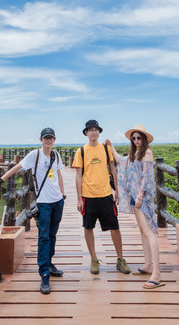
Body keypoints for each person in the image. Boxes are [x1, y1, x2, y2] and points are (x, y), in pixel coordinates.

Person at [0, 127, 66, 295]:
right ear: (40, 139)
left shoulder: (56, 155)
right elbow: (18, 167)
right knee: (43, 237)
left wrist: (62, 195)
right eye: (45, 138)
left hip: (57, 201)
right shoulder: (35, 155)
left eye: (51, 138)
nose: (48, 141)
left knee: (52, 235)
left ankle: (49, 263)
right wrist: (0, 179)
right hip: (44, 203)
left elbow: (59, 174)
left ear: (54, 140)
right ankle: (44, 274)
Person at [106, 124, 164, 289]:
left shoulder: (147, 152)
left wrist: (139, 196)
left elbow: (147, 176)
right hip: (135, 196)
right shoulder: (136, 153)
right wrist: (111, 147)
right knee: (142, 230)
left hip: (142, 197)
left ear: (145, 139)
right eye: (134, 138)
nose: (136, 140)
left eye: (139, 137)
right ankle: (147, 265)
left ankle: (157, 273)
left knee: (148, 232)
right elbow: (120, 161)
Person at [73, 119, 131, 275]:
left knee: (115, 227)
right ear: (86, 133)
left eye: (96, 130)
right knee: (88, 227)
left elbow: (113, 170)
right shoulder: (81, 151)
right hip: (88, 195)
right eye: (90, 130)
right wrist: (79, 198)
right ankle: (93, 259)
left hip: (106, 194)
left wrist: (117, 190)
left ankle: (120, 259)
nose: (94, 132)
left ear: (99, 132)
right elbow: (78, 176)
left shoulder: (106, 149)